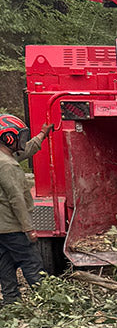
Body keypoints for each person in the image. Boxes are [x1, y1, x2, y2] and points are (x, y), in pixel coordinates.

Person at [0, 114, 45, 304]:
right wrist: (28, 228)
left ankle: (11, 301)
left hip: (1, 228)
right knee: (32, 262)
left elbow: (24, 152)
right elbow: (16, 198)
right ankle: (47, 299)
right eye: (20, 137)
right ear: (8, 138)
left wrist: (43, 134)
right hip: (13, 226)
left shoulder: (4, 158)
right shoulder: (7, 165)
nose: (23, 141)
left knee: (5, 264)